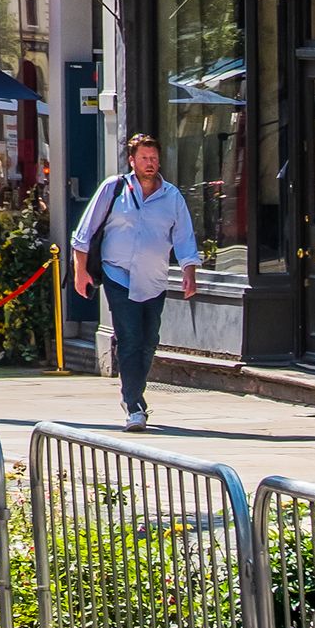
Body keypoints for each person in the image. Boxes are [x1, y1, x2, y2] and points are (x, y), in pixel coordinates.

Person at [63, 148, 196, 430]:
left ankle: (133, 391)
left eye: (154, 158)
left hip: (154, 278)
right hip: (117, 273)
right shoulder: (114, 188)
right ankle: (134, 404)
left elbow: (184, 236)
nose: (150, 163)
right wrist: (80, 271)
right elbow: (84, 233)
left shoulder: (171, 196)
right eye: (144, 158)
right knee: (130, 336)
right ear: (132, 161)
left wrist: (189, 271)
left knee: (149, 340)